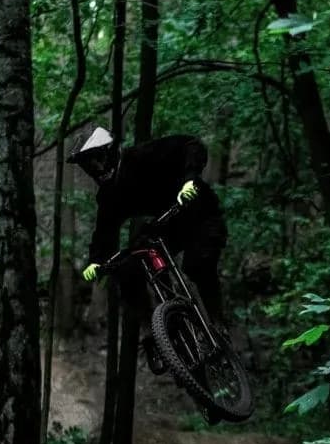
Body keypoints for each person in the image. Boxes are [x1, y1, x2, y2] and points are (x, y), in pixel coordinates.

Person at [70, 126, 228, 322]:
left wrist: (189, 181)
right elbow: (104, 230)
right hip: (168, 223)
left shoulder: (142, 156)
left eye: (96, 160)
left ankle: (217, 322)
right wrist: (96, 260)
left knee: (196, 265)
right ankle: (159, 327)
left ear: (109, 152)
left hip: (201, 213)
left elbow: (191, 145)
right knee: (129, 266)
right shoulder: (109, 194)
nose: (95, 168)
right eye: (88, 165)